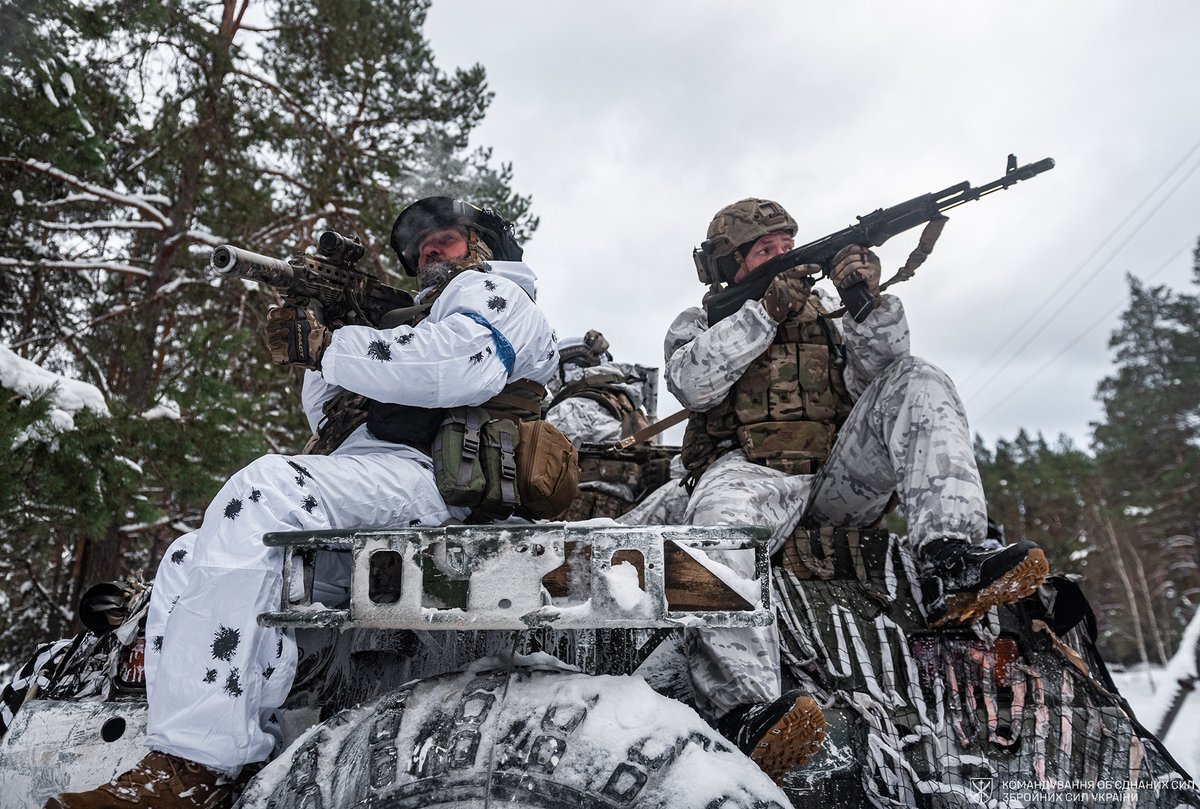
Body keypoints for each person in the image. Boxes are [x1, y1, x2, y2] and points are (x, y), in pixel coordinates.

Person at [48, 197, 559, 809]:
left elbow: (459, 365)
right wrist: (322, 322)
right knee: (189, 562)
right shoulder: (413, 322)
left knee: (261, 492)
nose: (427, 253)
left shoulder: (496, 293)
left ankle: (197, 766)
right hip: (374, 488)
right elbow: (334, 414)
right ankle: (207, 765)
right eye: (418, 250)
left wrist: (328, 345)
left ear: (485, 243)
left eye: (442, 239)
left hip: (440, 487)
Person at [666, 197, 1049, 783]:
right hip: (751, 473)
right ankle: (746, 708)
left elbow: (882, 379)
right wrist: (762, 315)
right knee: (707, 532)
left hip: (838, 477)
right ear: (731, 266)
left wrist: (865, 303)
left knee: (920, 376)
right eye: (765, 251)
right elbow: (692, 384)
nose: (783, 257)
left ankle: (951, 556)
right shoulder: (702, 321)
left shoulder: (829, 318)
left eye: (787, 246)